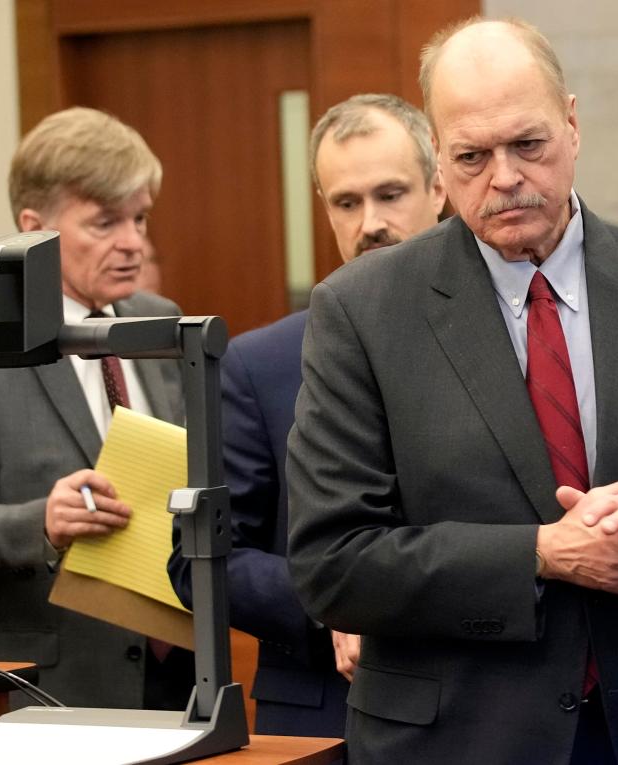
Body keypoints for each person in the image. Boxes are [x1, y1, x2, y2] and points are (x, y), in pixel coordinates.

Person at [286, 18, 618, 764]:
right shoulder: (361, 311)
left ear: (571, 125)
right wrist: (544, 553)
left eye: (527, 144)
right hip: (458, 740)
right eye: (471, 155)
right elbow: (333, 560)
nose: (503, 177)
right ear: (438, 162)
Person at [167, 93, 445, 737]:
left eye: (391, 193)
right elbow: (201, 559)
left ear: (438, 190)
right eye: (346, 202)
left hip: (491, 709)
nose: (370, 221)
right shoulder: (256, 365)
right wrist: (334, 605)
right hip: (323, 714)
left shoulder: (510, 339)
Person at [0, 107, 195, 710]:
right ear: (33, 228)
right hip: (51, 689)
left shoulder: (161, 319)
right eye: (105, 222)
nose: (134, 242)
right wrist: (42, 522)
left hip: (180, 673)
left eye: (140, 218)